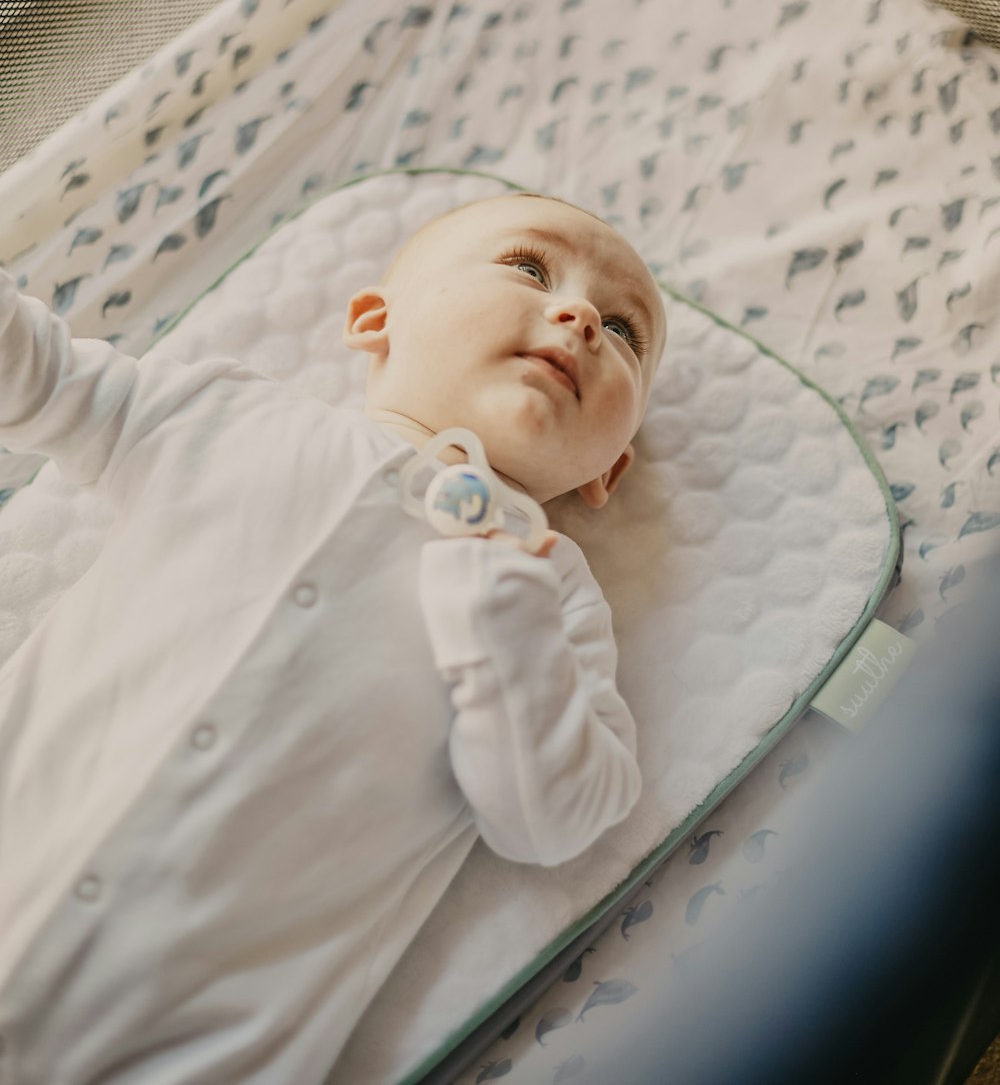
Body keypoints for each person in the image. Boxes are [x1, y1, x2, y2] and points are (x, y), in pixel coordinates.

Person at [0, 190, 667, 1085]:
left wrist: (507, 623)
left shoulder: (553, 595)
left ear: (608, 470)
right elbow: (41, 377)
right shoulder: (230, 420)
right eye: (528, 267)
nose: (582, 316)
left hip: (186, 1045)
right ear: (373, 320)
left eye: (626, 332)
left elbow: (557, 816)